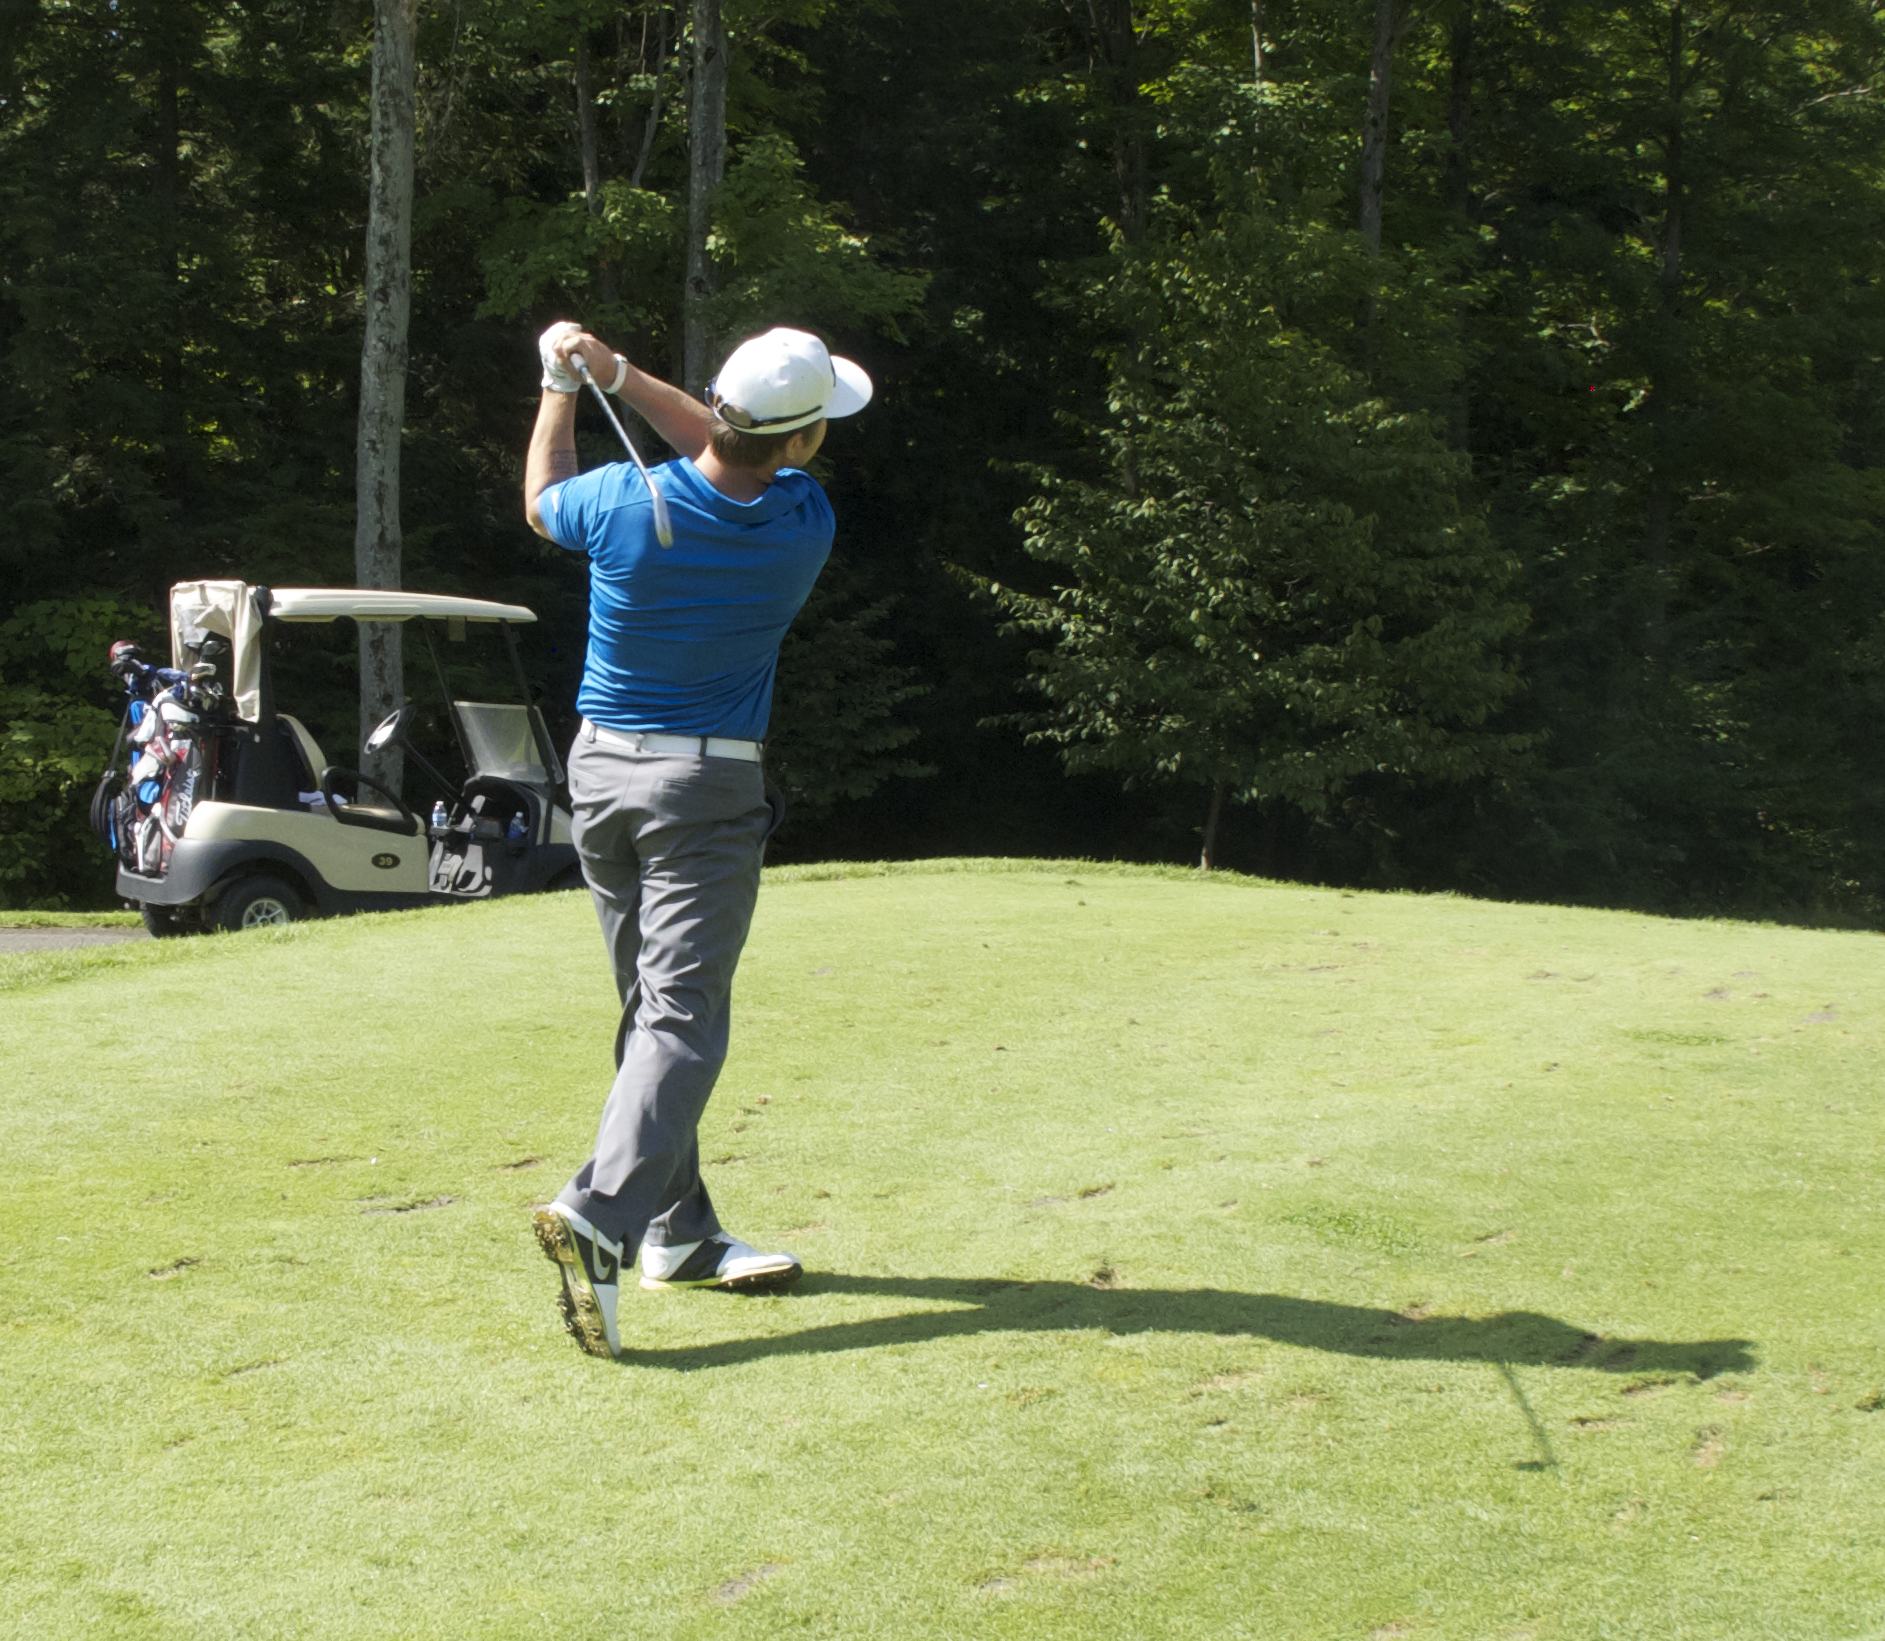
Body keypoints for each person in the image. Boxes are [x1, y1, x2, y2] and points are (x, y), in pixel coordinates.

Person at [522, 320, 872, 1359]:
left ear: (719, 408)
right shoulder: (802, 518)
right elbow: (731, 450)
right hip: (705, 788)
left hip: (599, 776)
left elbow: (543, 497)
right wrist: (620, 375)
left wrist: (566, 386)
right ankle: (603, 1214)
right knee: (681, 1018)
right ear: (800, 441)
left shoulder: (618, 503)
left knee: (649, 1012)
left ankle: (678, 1233)